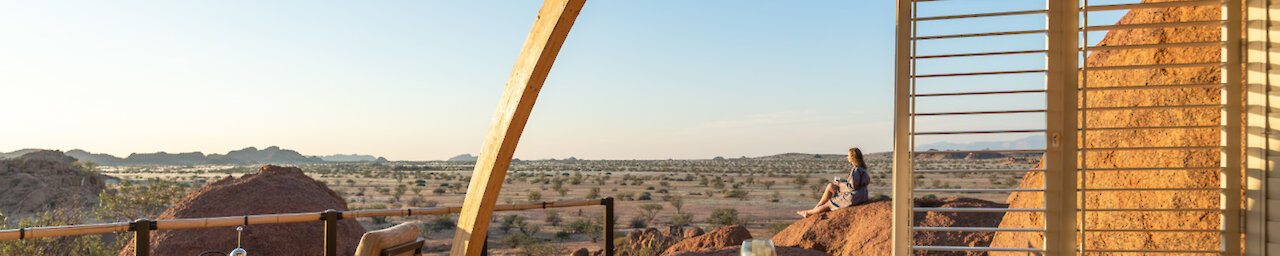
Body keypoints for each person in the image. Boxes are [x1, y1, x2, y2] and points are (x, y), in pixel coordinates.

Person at [798, 147, 872, 217]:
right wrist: (842, 183)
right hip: (861, 195)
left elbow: (852, 186)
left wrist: (840, 184)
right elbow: (856, 184)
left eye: (848, 155)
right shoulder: (863, 169)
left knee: (829, 204)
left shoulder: (856, 170)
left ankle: (808, 213)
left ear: (853, 157)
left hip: (853, 197)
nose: (847, 157)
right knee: (830, 186)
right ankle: (816, 208)